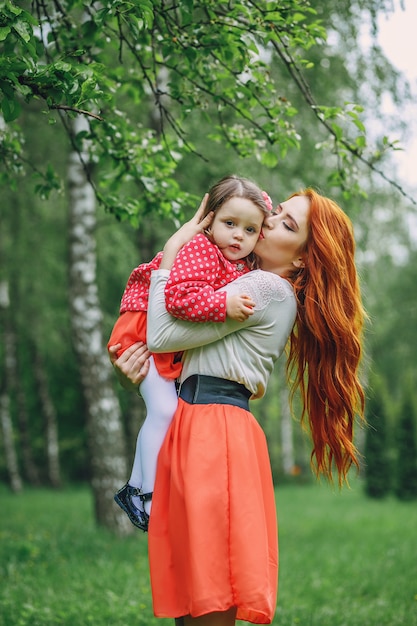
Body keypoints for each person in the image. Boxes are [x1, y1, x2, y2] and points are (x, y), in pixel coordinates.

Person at [110, 188, 365, 626]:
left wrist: (171, 252)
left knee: (209, 591)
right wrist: (145, 377)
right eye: (277, 211)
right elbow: (186, 354)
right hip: (199, 421)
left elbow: (161, 335)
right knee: (195, 592)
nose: (267, 223)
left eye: (286, 225)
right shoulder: (246, 279)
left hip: (213, 432)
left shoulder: (263, 287)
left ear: (304, 257)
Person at [108, 175, 273, 531]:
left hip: (158, 338)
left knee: (165, 409)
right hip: (141, 332)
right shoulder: (200, 249)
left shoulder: (240, 264)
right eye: (229, 223)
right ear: (209, 219)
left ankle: (136, 488)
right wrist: (223, 304)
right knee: (164, 409)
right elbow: (179, 299)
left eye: (249, 229)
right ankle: (147, 496)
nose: (238, 236)